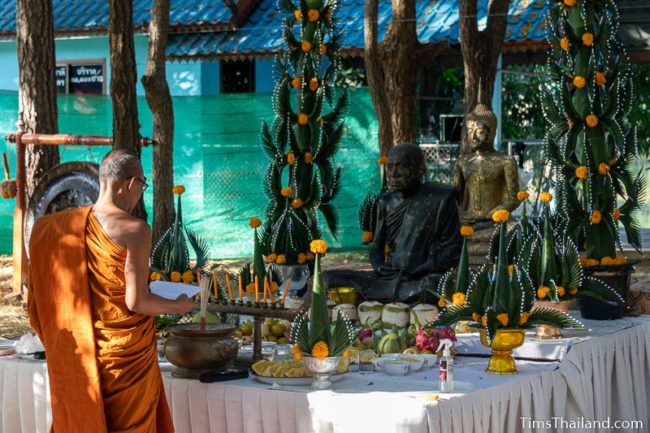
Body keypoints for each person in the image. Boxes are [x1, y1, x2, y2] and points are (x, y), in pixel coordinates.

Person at [28, 149, 193, 433]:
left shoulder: (58, 227)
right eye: (143, 184)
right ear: (130, 184)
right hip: (125, 361)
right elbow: (137, 300)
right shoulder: (135, 229)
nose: (141, 192)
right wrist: (179, 305)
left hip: (83, 354)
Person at [326, 143, 462, 303]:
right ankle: (395, 296)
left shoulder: (441, 199)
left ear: (421, 170)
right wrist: (379, 266)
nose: (394, 174)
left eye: (401, 167)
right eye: (390, 167)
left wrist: (422, 268)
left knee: (433, 287)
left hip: (422, 277)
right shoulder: (386, 202)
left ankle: (389, 297)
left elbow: (453, 250)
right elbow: (376, 249)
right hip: (389, 276)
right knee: (328, 278)